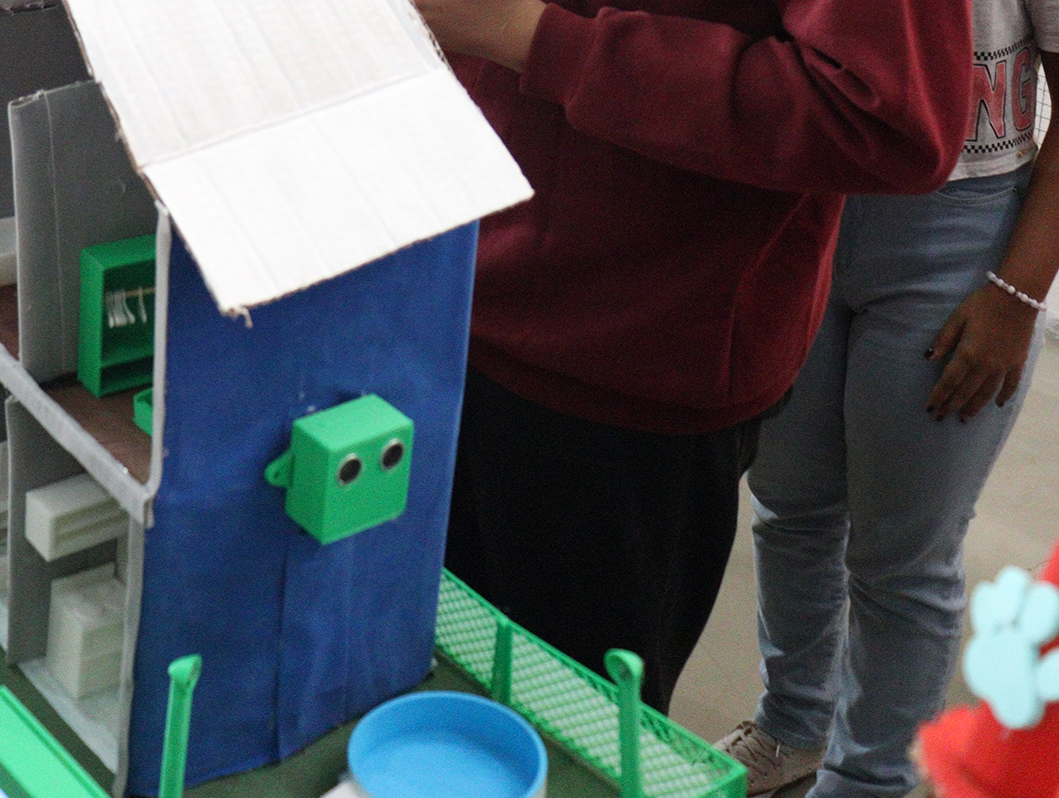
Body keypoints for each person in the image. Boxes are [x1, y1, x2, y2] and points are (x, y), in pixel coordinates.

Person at [411, 0, 973, 712]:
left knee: (566, 726)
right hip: (437, 295)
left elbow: (882, 120)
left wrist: (543, 41)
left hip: (620, 384)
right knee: (410, 682)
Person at [714, 2, 1059, 794]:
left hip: (958, 229)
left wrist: (1017, 294)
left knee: (903, 552)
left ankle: (871, 779)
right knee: (789, 505)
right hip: (804, 195)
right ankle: (792, 725)